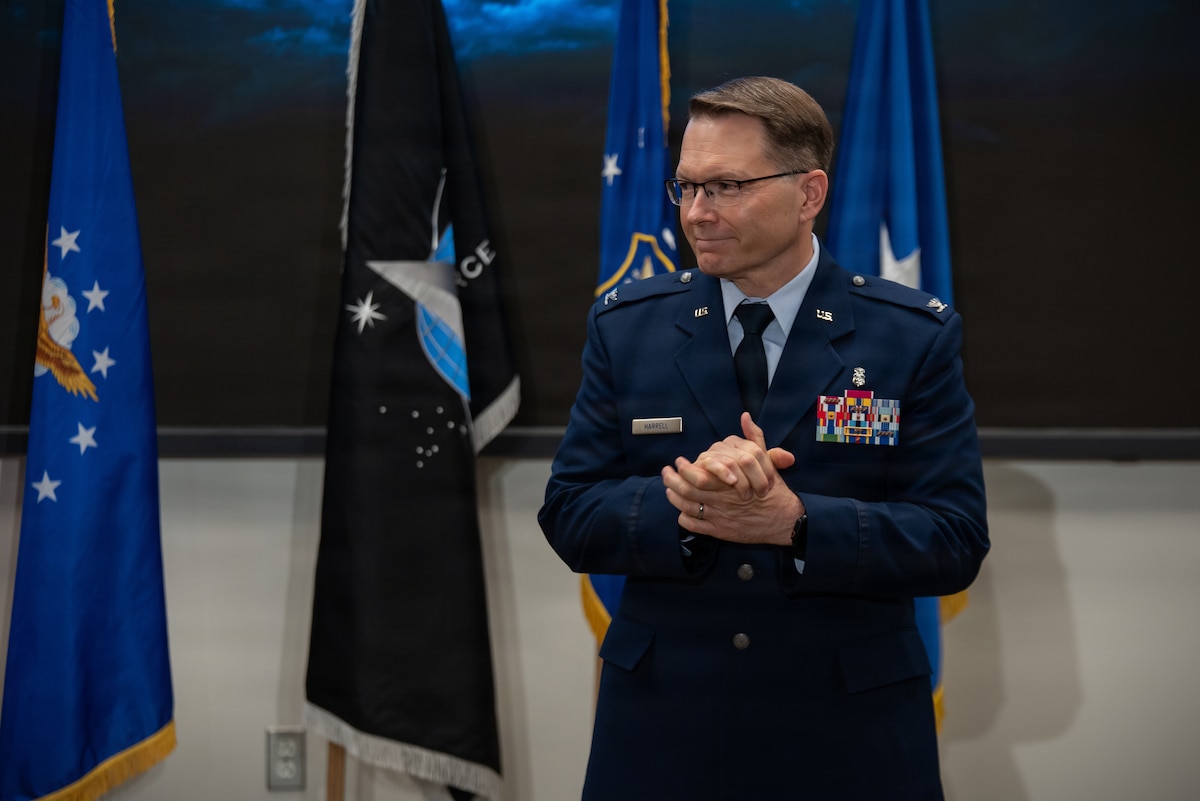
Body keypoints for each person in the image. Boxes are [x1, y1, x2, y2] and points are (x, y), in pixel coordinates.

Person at [538, 76, 989, 801]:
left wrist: (798, 523)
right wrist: (687, 506)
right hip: (664, 731)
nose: (696, 213)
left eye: (726, 187)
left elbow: (954, 537)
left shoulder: (910, 336)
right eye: (684, 188)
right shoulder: (627, 327)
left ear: (808, 194)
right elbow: (569, 511)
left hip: (848, 734)